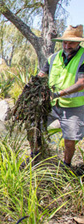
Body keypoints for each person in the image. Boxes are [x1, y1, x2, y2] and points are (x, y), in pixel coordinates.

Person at [37, 25, 84, 167]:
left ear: (79, 43)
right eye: (65, 42)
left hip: (73, 106)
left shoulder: (83, 58)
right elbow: (42, 75)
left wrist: (58, 94)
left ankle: (66, 166)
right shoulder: (53, 57)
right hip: (51, 105)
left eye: (71, 42)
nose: (67, 45)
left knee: (69, 140)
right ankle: (36, 156)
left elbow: (82, 83)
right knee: (34, 127)